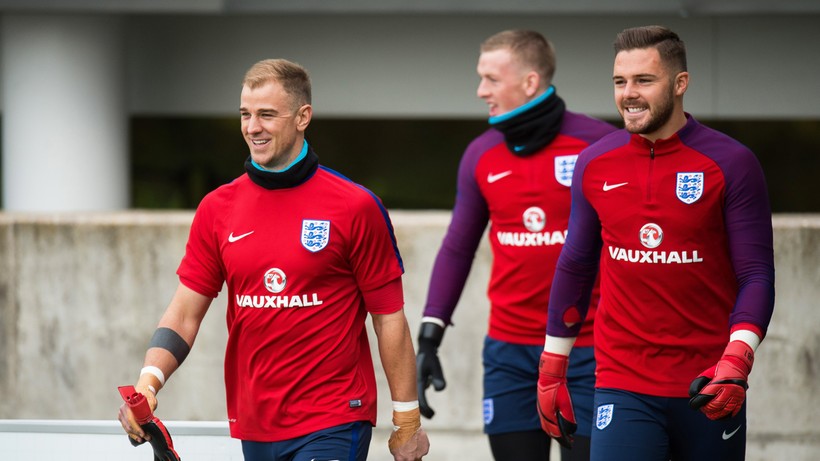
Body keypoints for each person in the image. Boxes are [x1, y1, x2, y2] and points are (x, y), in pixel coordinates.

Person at [118, 58, 430, 461]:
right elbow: (183, 314)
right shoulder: (218, 208)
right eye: (245, 115)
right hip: (256, 424)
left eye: (267, 115)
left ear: (303, 117)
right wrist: (149, 382)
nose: (252, 127)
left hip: (333, 418)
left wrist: (407, 420)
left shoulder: (356, 206)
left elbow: (389, 318)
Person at [536, 25, 775, 461]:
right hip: (622, 382)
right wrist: (552, 368)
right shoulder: (595, 163)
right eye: (619, 81)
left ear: (680, 84)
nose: (629, 93)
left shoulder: (732, 164)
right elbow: (575, 267)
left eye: (644, 80)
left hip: (709, 382)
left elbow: (756, 274)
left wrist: (738, 359)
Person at [416, 30, 616, 461]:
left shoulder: (599, 145)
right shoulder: (481, 154)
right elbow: (457, 248)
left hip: (590, 349)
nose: (480, 90)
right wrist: (429, 337)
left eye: (490, 78)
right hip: (509, 353)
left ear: (529, 82)